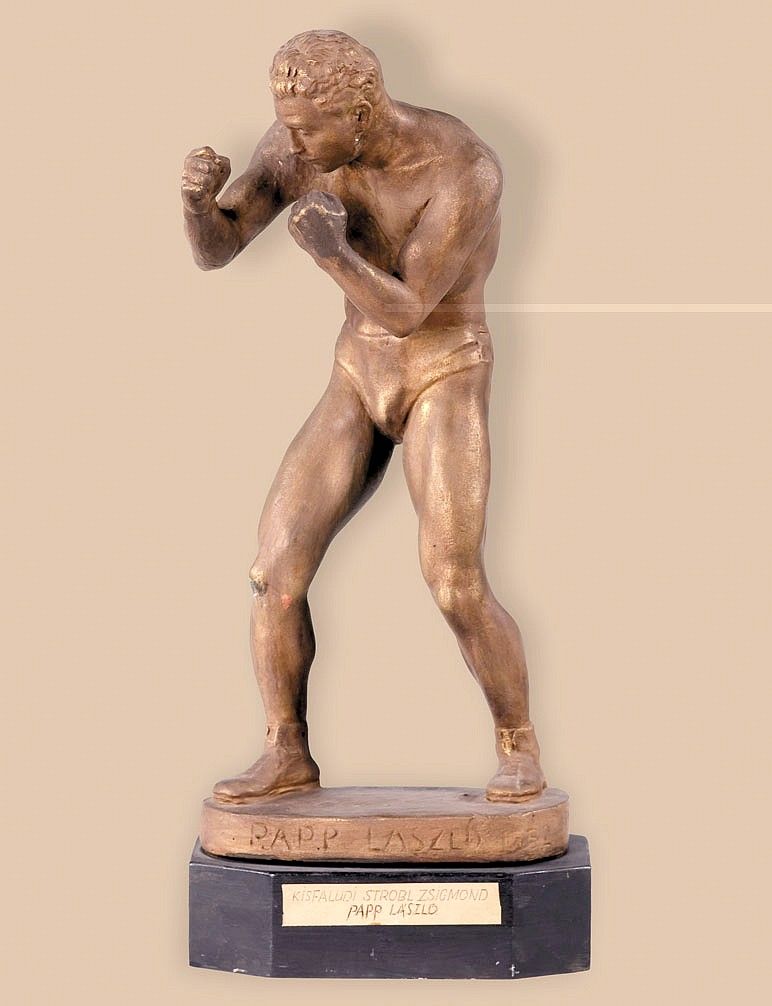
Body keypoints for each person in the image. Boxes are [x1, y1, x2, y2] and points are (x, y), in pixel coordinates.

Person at [181, 29, 546, 803]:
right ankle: (286, 749)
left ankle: (518, 743)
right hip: (358, 371)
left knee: (453, 581)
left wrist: (331, 253)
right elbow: (220, 247)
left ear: (363, 111)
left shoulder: (462, 169)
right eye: (289, 127)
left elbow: (410, 311)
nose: (293, 146)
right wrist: (196, 204)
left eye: (310, 131)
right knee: (274, 572)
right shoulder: (298, 142)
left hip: (443, 369)